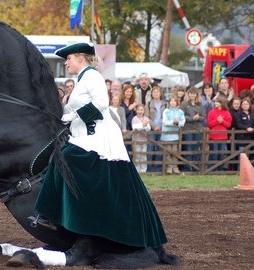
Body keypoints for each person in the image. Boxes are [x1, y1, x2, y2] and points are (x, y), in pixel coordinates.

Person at [33, 43, 169, 264]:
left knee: (66, 158)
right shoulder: (81, 81)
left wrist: (71, 117)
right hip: (86, 137)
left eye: (68, 59)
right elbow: (70, 110)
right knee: (61, 158)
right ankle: (53, 215)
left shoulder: (92, 76)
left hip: (99, 137)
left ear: (80, 58)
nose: (66, 63)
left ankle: (52, 215)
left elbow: (101, 103)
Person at [180, 87, 205, 172]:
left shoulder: (200, 104)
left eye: (194, 93)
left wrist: (198, 117)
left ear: (196, 94)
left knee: (196, 148)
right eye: (191, 93)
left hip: (198, 129)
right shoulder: (184, 104)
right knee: (188, 148)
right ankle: (187, 167)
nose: (192, 95)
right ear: (188, 94)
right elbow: (182, 116)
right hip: (188, 129)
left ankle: (196, 167)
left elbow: (204, 116)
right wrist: (192, 118)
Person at [160, 96, 185, 174]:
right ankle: (169, 167)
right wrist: (173, 122)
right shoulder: (166, 111)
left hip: (175, 135)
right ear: (169, 102)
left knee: (175, 151)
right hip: (166, 135)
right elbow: (165, 122)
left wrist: (177, 123)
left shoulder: (180, 112)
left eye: (174, 101)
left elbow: (182, 122)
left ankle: (175, 167)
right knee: (167, 152)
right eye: (171, 101)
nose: (173, 102)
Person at [207, 96, 232, 171]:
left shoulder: (227, 113)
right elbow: (209, 124)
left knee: (222, 153)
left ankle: (221, 169)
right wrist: (217, 121)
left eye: (217, 102)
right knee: (214, 153)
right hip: (213, 137)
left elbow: (228, 125)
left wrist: (222, 121)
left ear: (222, 103)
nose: (215, 103)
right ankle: (212, 169)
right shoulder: (211, 112)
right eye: (215, 102)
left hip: (223, 137)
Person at [145, 85, 166, 173]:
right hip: (152, 129)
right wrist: (154, 126)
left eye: (157, 92)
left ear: (160, 93)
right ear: (152, 94)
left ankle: (158, 168)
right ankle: (149, 168)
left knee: (160, 148)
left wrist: (160, 126)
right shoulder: (149, 104)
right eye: (154, 92)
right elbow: (146, 117)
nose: (156, 93)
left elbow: (166, 116)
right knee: (150, 148)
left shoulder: (165, 104)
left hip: (162, 128)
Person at [234, 98, 254, 168]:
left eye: (247, 104)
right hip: (242, 139)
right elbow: (238, 124)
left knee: (251, 156)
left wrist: (253, 129)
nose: (245, 105)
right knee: (242, 156)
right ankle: (240, 170)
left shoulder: (253, 115)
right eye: (243, 104)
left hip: (252, 138)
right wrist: (246, 128)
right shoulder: (238, 114)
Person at [131, 104, 151, 173]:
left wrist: (143, 126)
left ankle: (143, 170)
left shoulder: (146, 118)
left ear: (144, 111)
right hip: (136, 140)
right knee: (137, 155)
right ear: (136, 110)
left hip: (144, 140)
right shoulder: (134, 119)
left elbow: (148, 128)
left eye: (141, 110)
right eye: (138, 110)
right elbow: (134, 127)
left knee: (143, 155)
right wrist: (143, 125)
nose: (140, 111)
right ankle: (137, 170)